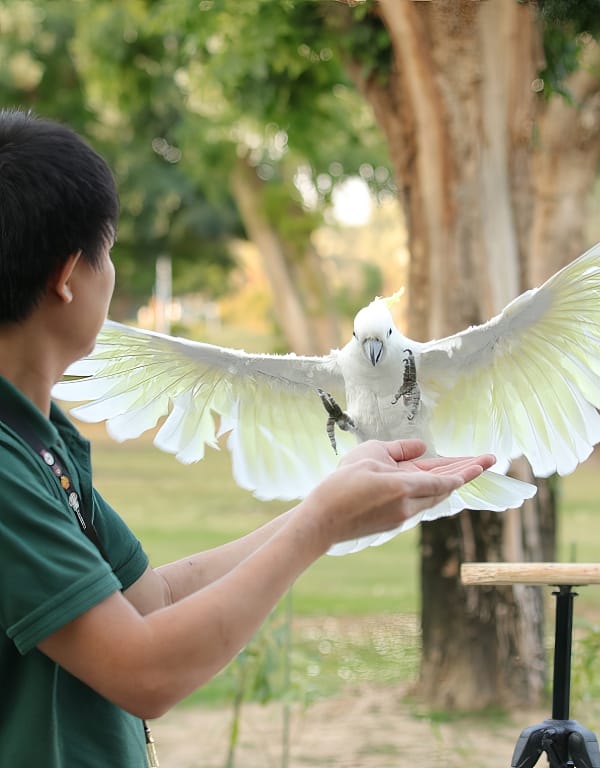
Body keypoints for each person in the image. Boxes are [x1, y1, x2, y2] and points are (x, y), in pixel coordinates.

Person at [0, 109, 495, 768]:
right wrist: (319, 524)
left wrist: (332, 507)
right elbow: (143, 671)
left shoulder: (40, 439)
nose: (112, 273)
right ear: (68, 276)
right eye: (109, 252)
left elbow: (153, 601)